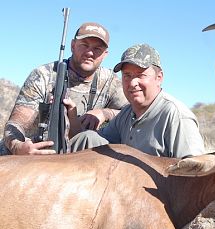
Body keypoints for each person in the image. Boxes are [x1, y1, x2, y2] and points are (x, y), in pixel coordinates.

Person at [0, 22, 127, 155]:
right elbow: (16, 123)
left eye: (97, 49)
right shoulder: (43, 75)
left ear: (105, 54)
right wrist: (18, 147)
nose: (90, 52)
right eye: (84, 45)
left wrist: (105, 113)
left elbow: (133, 113)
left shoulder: (110, 81)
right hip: (29, 154)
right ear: (73, 45)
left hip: (71, 158)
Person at [70, 43, 205, 158]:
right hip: (124, 181)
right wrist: (71, 116)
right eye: (127, 75)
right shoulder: (127, 113)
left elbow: (196, 171)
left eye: (141, 75)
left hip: (157, 187)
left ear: (159, 77)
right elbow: (93, 141)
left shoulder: (176, 115)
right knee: (87, 138)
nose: (133, 82)